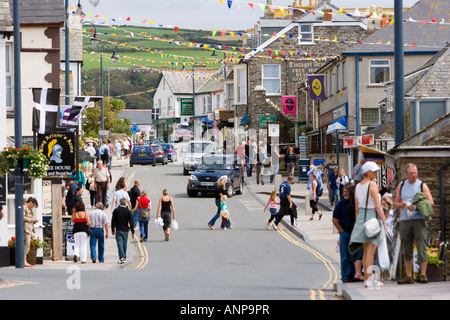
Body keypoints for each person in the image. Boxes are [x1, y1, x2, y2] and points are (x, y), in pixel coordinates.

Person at [394, 163, 434, 284]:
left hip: (419, 220)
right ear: (406, 174)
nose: (414, 175)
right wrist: (403, 205)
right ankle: (408, 275)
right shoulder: (401, 185)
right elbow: (395, 203)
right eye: (411, 173)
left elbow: (430, 202)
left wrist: (416, 207)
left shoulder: (422, 185)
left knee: (421, 245)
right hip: (405, 220)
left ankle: (423, 274)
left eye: (415, 172)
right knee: (406, 247)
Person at [348, 161, 387, 287]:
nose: (376, 173)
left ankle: (367, 279)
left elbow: (357, 208)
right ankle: (370, 279)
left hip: (361, 218)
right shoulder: (372, 185)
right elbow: (377, 205)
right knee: (371, 250)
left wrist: (358, 223)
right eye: (374, 171)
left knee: (365, 250)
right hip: (372, 217)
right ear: (367, 172)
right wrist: (384, 221)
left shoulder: (358, 186)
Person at [332, 183, 364, 283]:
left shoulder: (357, 203)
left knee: (356, 256)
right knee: (345, 256)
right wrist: (342, 231)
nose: (345, 193)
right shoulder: (340, 204)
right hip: (346, 234)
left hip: (357, 233)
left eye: (347, 191)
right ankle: (345, 276)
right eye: (344, 191)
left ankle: (355, 275)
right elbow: (334, 219)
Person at [111, 197, 135, 264]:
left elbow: (113, 221)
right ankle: (123, 257)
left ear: (120, 202)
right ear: (126, 203)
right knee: (124, 244)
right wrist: (133, 232)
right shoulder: (128, 211)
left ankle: (122, 257)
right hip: (125, 230)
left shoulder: (116, 210)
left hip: (118, 229)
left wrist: (112, 229)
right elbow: (131, 222)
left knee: (119, 244)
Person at [23, 197, 39, 267]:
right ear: (30, 202)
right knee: (27, 245)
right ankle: (24, 261)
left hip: (29, 228)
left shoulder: (30, 209)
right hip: (26, 229)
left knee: (27, 245)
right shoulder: (24, 207)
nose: (33, 206)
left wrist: (33, 221)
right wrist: (31, 220)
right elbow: (22, 217)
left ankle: (25, 260)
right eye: (33, 205)